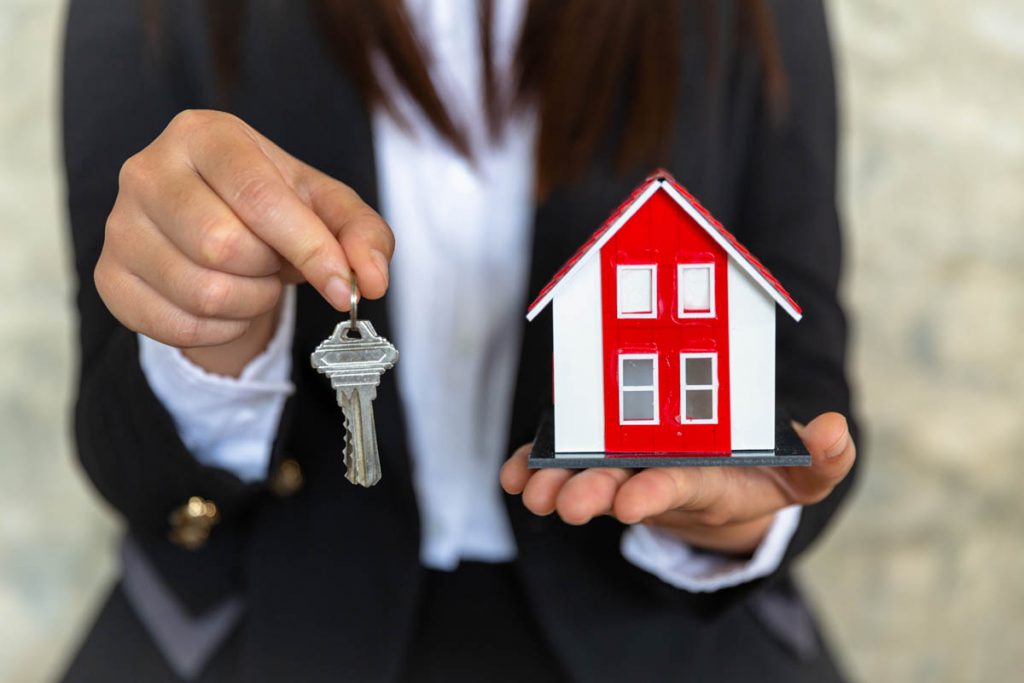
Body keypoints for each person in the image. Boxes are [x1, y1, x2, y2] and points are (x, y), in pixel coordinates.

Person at [61, 0, 859, 680]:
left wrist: (732, 527)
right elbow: (121, 449)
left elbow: (808, 378)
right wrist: (213, 334)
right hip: (265, 617)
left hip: (662, 625)